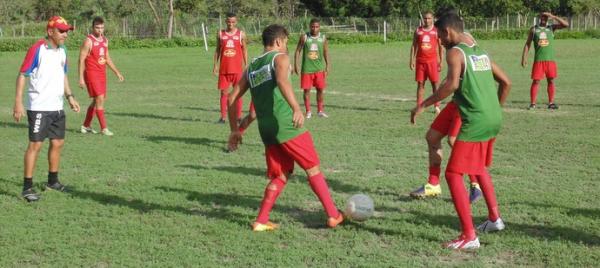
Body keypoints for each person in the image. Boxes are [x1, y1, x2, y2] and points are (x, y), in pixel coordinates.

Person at [228, 24, 343, 231]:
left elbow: (231, 98)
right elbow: (282, 82)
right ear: (279, 41)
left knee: (280, 175)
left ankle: (261, 220)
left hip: (267, 129)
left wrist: (236, 129)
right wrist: (297, 109)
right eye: (286, 42)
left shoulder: (252, 66)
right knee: (312, 168)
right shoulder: (279, 58)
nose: (287, 46)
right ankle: (333, 215)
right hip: (286, 125)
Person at [411, 11, 511, 249]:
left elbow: (452, 84)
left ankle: (469, 236)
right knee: (437, 139)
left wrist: (423, 105)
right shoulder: (478, 49)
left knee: (454, 174)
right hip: (490, 115)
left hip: (475, 118)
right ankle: (494, 219)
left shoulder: (455, 52)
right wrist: (493, 108)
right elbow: (506, 82)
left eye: (440, 37)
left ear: (447, 32)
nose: (439, 42)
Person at [13, 16, 81, 202]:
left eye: (67, 31)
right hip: (39, 108)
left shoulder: (63, 51)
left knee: (58, 143)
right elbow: (22, 75)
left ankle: (53, 181)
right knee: (35, 145)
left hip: (57, 107)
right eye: (61, 31)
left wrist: (70, 96)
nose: (65, 34)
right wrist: (18, 102)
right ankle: (27, 187)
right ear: (50, 32)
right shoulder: (37, 49)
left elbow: (63, 76)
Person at [409, 35, 482, 204]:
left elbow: (458, 80)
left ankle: (475, 184)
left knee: (454, 140)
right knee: (432, 137)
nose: (439, 40)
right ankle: (434, 184)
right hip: (454, 102)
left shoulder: (467, 43)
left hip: (466, 102)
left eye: (440, 32)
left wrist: (424, 105)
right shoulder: (452, 46)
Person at [79, 16, 124, 136]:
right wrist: (81, 78)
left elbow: (107, 57)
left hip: (101, 74)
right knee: (99, 99)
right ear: (93, 27)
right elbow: (81, 59)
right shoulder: (88, 41)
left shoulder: (105, 40)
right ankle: (104, 128)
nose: (100, 30)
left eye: (102, 28)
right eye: (97, 27)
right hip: (91, 73)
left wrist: (116, 72)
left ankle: (86, 125)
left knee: (97, 100)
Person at [521, 12, 568, 110]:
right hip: (539, 60)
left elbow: (566, 25)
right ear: (539, 17)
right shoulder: (534, 29)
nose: (544, 19)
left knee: (551, 80)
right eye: (542, 17)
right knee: (536, 81)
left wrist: (554, 16)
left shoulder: (551, 28)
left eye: (546, 17)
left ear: (548, 18)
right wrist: (524, 58)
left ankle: (551, 103)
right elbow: (527, 44)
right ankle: (533, 103)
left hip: (550, 60)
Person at [213, 12, 248, 123]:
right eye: (229, 21)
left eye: (233, 22)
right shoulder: (220, 34)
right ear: (225, 21)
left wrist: (246, 64)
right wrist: (215, 65)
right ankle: (223, 117)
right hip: (224, 70)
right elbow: (217, 50)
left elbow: (244, 50)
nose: (231, 24)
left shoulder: (241, 34)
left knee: (238, 93)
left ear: (236, 22)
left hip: (237, 69)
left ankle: (238, 117)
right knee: (224, 93)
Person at [294, 18, 330, 118]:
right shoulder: (304, 37)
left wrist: (328, 66)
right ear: (310, 26)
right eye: (312, 26)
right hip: (306, 69)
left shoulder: (323, 38)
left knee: (320, 90)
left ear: (319, 27)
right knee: (306, 91)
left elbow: (326, 52)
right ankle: (308, 111)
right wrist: (296, 65)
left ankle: (320, 111)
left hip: (319, 69)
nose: (314, 29)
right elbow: (297, 51)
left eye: (317, 27)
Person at [410, 11, 444, 114]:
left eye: (429, 18)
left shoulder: (436, 31)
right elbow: (413, 46)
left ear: (433, 19)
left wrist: (441, 61)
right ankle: (419, 106)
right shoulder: (418, 31)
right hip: (420, 62)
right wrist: (411, 60)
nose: (427, 20)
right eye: (425, 18)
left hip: (432, 62)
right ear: (422, 19)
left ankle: (437, 106)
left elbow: (440, 47)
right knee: (420, 84)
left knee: (435, 84)